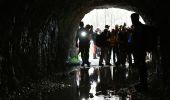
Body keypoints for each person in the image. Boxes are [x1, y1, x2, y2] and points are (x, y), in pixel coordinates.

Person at [130, 13, 148, 91]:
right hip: (139, 50)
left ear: (135, 19)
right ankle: (142, 83)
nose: (132, 21)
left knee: (142, 67)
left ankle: (144, 85)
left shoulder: (139, 28)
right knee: (141, 67)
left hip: (140, 51)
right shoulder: (139, 27)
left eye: (132, 19)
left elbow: (139, 41)